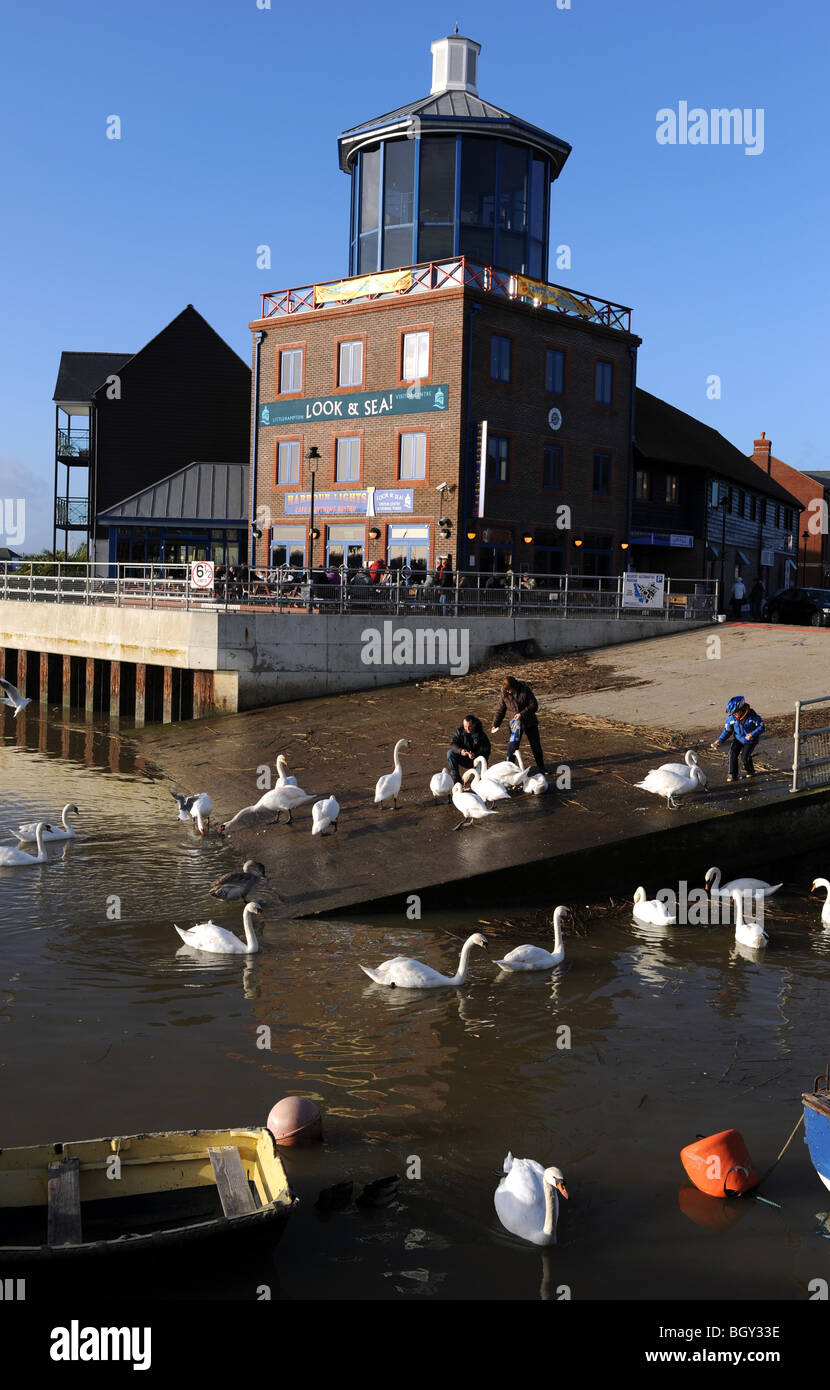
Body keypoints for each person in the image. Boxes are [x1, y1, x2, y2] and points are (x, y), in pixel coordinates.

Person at [491, 674, 546, 773]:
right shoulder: (504, 694)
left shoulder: (525, 690)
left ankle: (541, 768)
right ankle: (508, 770)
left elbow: (534, 705)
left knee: (535, 746)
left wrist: (522, 714)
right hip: (514, 725)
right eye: (506, 690)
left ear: (514, 686)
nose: (508, 692)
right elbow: (500, 710)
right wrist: (495, 724)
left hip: (530, 723)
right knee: (512, 747)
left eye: (509, 689)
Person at [710, 694, 765, 782]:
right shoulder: (731, 719)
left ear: (742, 709)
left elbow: (761, 727)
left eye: (736, 712)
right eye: (733, 713)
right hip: (738, 738)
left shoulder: (753, 717)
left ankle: (750, 771)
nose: (734, 715)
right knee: (732, 753)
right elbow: (727, 731)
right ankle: (732, 774)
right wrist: (720, 740)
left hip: (750, 740)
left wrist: (752, 734)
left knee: (745, 757)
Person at [447, 715, 491, 786]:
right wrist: (460, 751)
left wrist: (475, 754)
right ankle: (457, 778)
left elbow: (486, 750)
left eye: (469, 726)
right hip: (465, 758)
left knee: (480, 782)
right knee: (450, 753)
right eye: (465, 726)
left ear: (474, 724)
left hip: (477, 760)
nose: (467, 729)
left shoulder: (481, 735)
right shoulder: (459, 731)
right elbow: (453, 744)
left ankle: (480, 780)